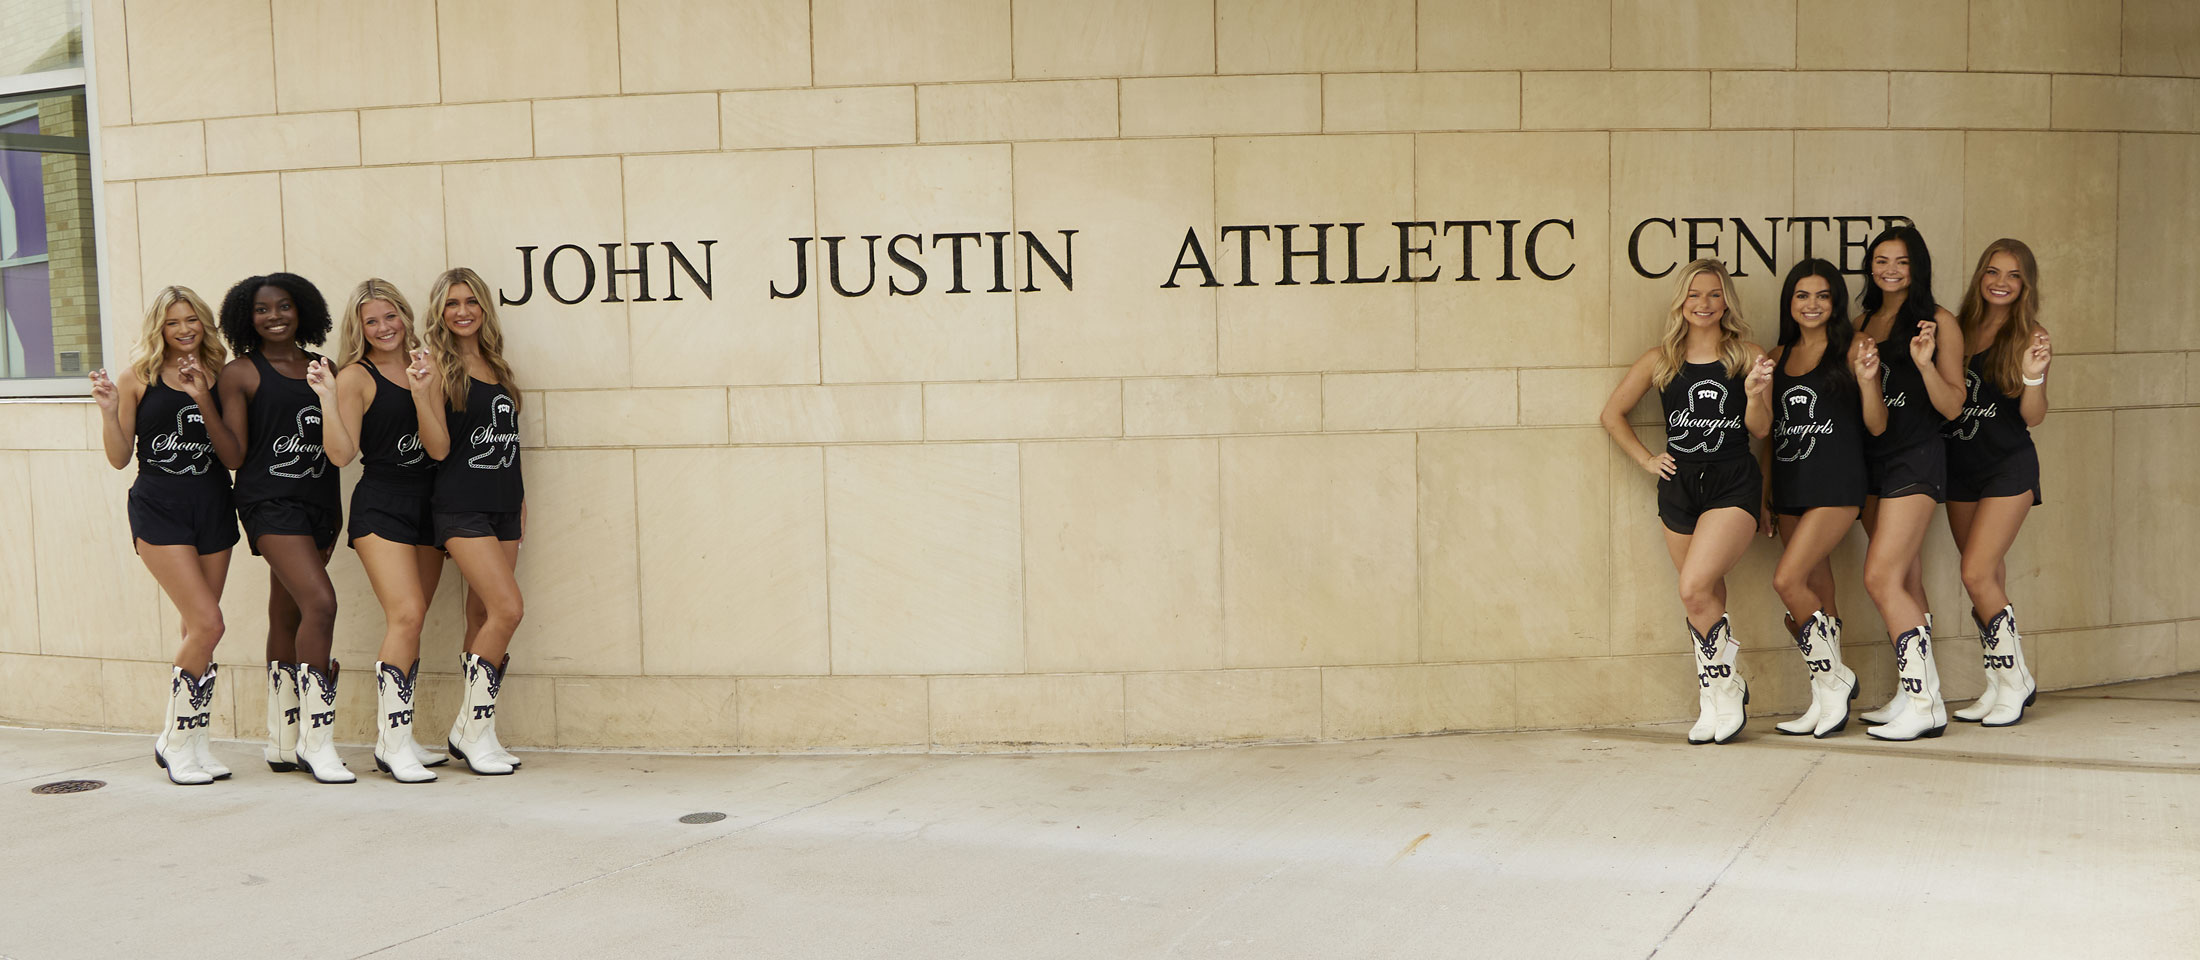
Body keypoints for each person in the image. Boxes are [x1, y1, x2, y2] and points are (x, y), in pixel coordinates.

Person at [1601, 259, 1772, 744]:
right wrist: (1646, 459)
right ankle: (1717, 698)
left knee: (1693, 587)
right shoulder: (1661, 360)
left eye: (1714, 295)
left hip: (1733, 484)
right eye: (1695, 295)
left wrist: (1756, 394)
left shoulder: (1746, 355)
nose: (1704, 304)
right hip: (1678, 489)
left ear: (1726, 302)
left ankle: (1727, 686)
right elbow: (1612, 414)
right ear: (1681, 301)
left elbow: (1761, 429)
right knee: (1706, 596)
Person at [91, 287, 241, 785]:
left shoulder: (222, 376)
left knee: (197, 631)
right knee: (208, 623)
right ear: (160, 327)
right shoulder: (139, 378)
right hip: (160, 507)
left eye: (192, 320)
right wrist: (110, 411)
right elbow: (118, 457)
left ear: (204, 324)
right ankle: (175, 740)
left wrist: (203, 395)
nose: (184, 329)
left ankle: (196, 740)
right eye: (174, 322)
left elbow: (232, 453)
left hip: (214, 505)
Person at [215, 272, 358, 782]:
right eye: (261, 309)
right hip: (269, 504)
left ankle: (280, 738)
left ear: (303, 311)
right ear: (245, 317)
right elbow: (233, 454)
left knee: (289, 613)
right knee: (321, 602)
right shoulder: (240, 374)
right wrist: (200, 401)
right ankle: (316, 744)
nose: (274, 316)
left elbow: (339, 441)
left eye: (284, 306)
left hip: (320, 503)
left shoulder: (326, 368)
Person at [332, 279, 452, 781]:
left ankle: (399, 737)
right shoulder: (355, 377)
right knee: (406, 613)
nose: (383, 328)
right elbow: (341, 454)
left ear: (405, 316)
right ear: (360, 329)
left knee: (415, 619)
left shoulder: (430, 366)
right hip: (381, 506)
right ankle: (392, 742)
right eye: (371, 321)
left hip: (430, 505)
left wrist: (424, 392)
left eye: (390, 316)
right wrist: (324, 398)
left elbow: (440, 448)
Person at [1853, 227, 1967, 741]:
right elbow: (1868, 415)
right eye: (1881, 259)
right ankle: (1913, 690)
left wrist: (1922, 365)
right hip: (1872, 461)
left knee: (1880, 577)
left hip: (1916, 458)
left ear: (1917, 265)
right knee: (1905, 581)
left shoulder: (1938, 321)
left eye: (1901, 260)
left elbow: (1952, 405)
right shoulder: (1862, 323)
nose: (1890, 269)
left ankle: (1925, 704)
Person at [1762, 259, 1883, 738]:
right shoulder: (1777, 354)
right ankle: (1825, 699)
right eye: (1802, 296)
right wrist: (1766, 491)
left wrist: (1870, 380)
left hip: (1837, 484)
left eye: (1822, 296)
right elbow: (1770, 434)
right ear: (1789, 303)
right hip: (1791, 485)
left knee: (1787, 580)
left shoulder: (1854, 347)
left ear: (1835, 301)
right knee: (1819, 591)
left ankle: (1837, 678)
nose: (1811, 305)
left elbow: (1876, 425)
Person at [1944, 239, 2052, 726]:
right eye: (1992, 271)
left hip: (2008, 467)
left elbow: (2033, 416)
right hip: (1959, 466)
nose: (2001, 282)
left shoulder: (2030, 335)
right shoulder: (1959, 330)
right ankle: (1996, 682)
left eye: (2012, 274)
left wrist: (2032, 378)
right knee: (1986, 579)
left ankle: (2015, 680)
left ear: (2025, 284)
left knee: (1975, 572)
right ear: (1980, 277)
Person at [424, 267, 526, 775]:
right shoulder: (436, 369)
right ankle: (469, 726)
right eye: (451, 304)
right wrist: (424, 395)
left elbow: (510, 445)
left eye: (470, 302)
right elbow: (438, 448)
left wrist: (520, 507)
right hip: (461, 506)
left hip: (505, 505)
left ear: (484, 308)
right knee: (508, 610)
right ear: (439, 313)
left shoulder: (497, 366)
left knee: (482, 618)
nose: (462, 311)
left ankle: (479, 732)